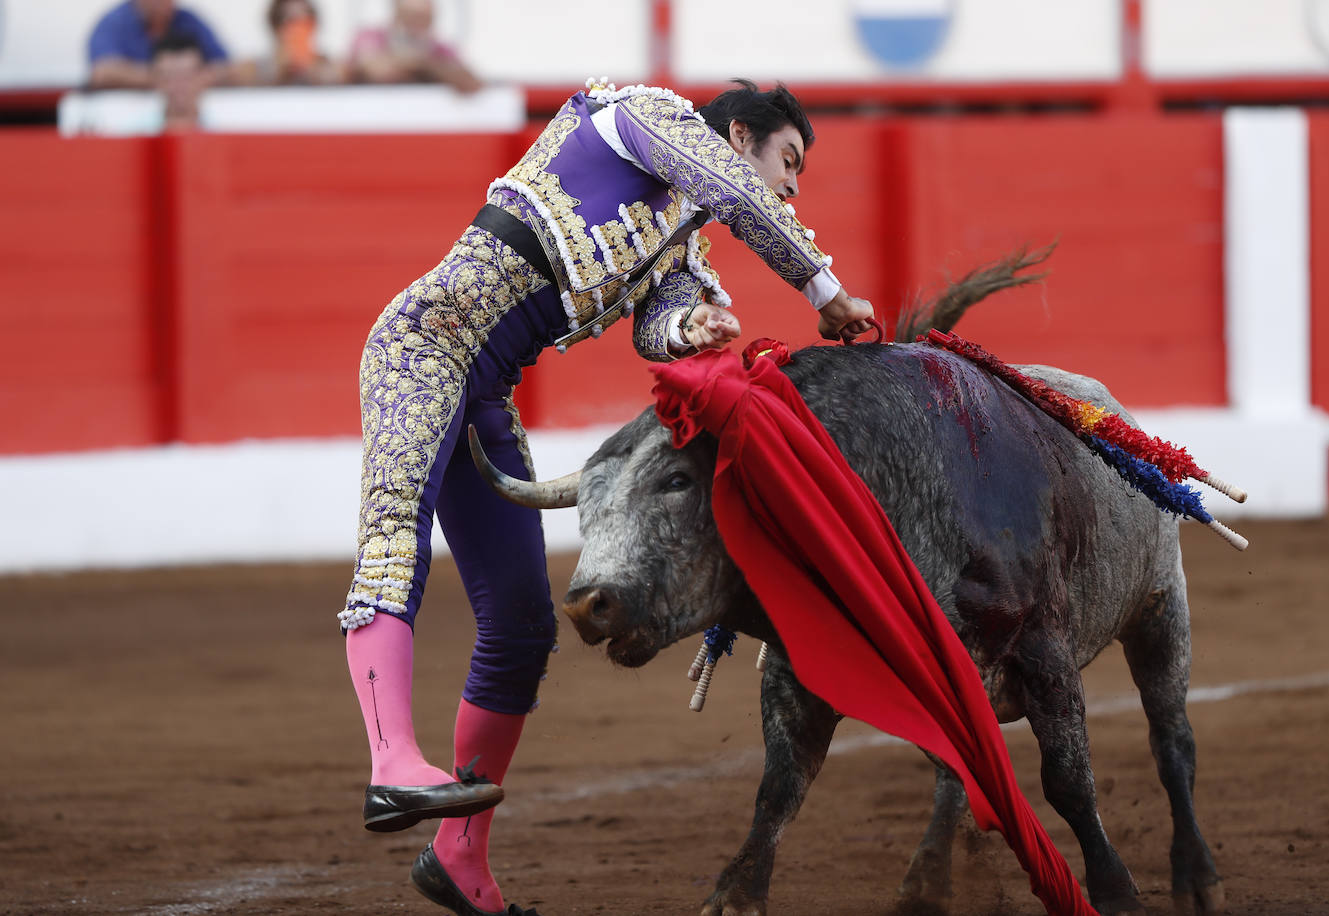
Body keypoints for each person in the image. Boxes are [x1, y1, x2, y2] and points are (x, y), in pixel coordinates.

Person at [339, 77, 875, 916]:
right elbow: (735, 194)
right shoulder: (639, 116)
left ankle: (460, 859)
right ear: (739, 136)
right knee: (393, 536)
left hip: (483, 397)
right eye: (789, 159)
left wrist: (690, 330)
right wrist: (823, 290)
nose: (793, 184)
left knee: (520, 624)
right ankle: (391, 762)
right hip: (419, 347)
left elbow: (659, 325)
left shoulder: (678, 246)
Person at [87, 0, 228, 90]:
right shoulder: (115, 23)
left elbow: (229, 67)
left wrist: (192, 79)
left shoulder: (188, 21)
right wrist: (173, 79)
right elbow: (101, 73)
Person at [346, 0, 482, 92]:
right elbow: (379, 71)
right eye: (412, 18)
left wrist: (417, 65)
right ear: (397, 16)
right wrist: (431, 69)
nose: (418, 27)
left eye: (425, 19)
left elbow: (469, 82)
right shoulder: (370, 37)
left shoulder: (441, 49)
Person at [231, 0, 342, 86]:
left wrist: (315, 73)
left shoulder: (326, 63)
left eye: (306, 22)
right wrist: (277, 74)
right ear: (276, 27)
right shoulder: (255, 67)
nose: (299, 30)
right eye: (291, 22)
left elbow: (340, 75)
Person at [151, 31, 210, 132]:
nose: (179, 86)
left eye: (186, 77)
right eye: (170, 77)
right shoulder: (137, 133)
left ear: (203, 77)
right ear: (157, 80)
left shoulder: (224, 129)